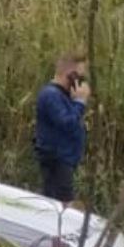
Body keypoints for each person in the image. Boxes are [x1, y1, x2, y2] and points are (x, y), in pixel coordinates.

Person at [34, 53, 89, 203]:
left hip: (65, 160)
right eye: (80, 78)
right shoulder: (51, 95)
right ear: (71, 76)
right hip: (56, 160)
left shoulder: (64, 96)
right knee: (61, 204)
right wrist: (80, 102)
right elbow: (67, 123)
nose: (83, 83)